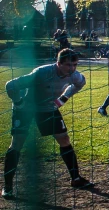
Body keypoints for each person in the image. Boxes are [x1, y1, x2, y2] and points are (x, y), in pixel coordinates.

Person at [3, 48, 93, 199]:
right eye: (68, 65)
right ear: (58, 63)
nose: (72, 68)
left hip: (47, 108)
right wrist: (19, 103)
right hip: (26, 109)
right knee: (17, 143)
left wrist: (63, 99)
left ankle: (76, 179)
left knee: (64, 139)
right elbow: (10, 85)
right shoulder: (41, 73)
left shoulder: (76, 76)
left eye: (75, 65)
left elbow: (79, 84)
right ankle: (8, 187)